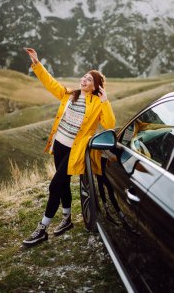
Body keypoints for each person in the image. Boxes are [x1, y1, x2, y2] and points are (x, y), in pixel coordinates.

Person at [22, 48, 116, 247]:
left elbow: (109, 125)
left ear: (96, 86)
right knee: (62, 184)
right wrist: (37, 64)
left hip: (75, 151)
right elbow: (50, 83)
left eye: (89, 79)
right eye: (83, 77)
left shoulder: (98, 103)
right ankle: (66, 219)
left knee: (54, 185)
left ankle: (42, 229)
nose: (84, 80)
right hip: (59, 145)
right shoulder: (69, 95)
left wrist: (105, 101)